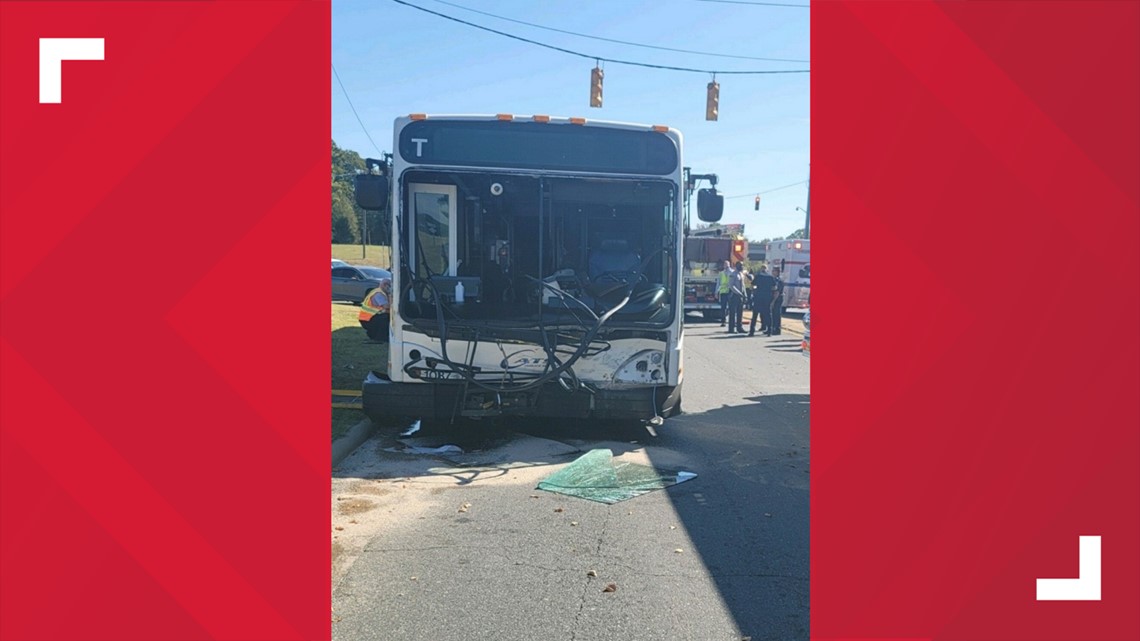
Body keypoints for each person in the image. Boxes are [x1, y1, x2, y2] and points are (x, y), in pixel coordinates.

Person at [749, 265, 775, 336]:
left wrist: (755, 291)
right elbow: (774, 288)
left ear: (761, 269)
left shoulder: (758, 277)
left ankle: (752, 331)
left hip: (758, 297)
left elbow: (752, 286)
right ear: (767, 269)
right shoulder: (770, 277)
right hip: (767, 298)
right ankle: (769, 331)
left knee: (755, 315)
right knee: (768, 315)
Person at [727, 261, 747, 334]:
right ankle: (731, 329)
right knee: (732, 313)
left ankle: (739, 328)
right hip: (734, 295)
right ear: (737, 266)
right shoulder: (733, 274)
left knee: (740, 312)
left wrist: (745, 295)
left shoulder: (741, 274)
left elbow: (743, 285)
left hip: (741, 296)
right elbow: (731, 285)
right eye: (740, 265)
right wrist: (739, 293)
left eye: (742, 265)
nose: (742, 267)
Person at [768, 266, 785, 336]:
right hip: (775, 298)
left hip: (777, 299)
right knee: (774, 314)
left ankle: (776, 329)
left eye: (774, 271)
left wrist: (773, 302)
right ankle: (773, 328)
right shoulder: (773, 279)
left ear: (777, 272)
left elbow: (777, 292)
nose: (772, 272)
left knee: (776, 314)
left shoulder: (778, 281)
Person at [716, 259, 732, 326]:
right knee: (723, 307)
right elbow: (718, 283)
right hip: (723, 292)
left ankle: (731, 321)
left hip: (730, 292)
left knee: (731, 307)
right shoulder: (721, 273)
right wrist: (716, 292)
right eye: (725, 264)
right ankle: (723, 321)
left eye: (727, 264)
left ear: (729, 265)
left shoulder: (732, 272)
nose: (726, 266)